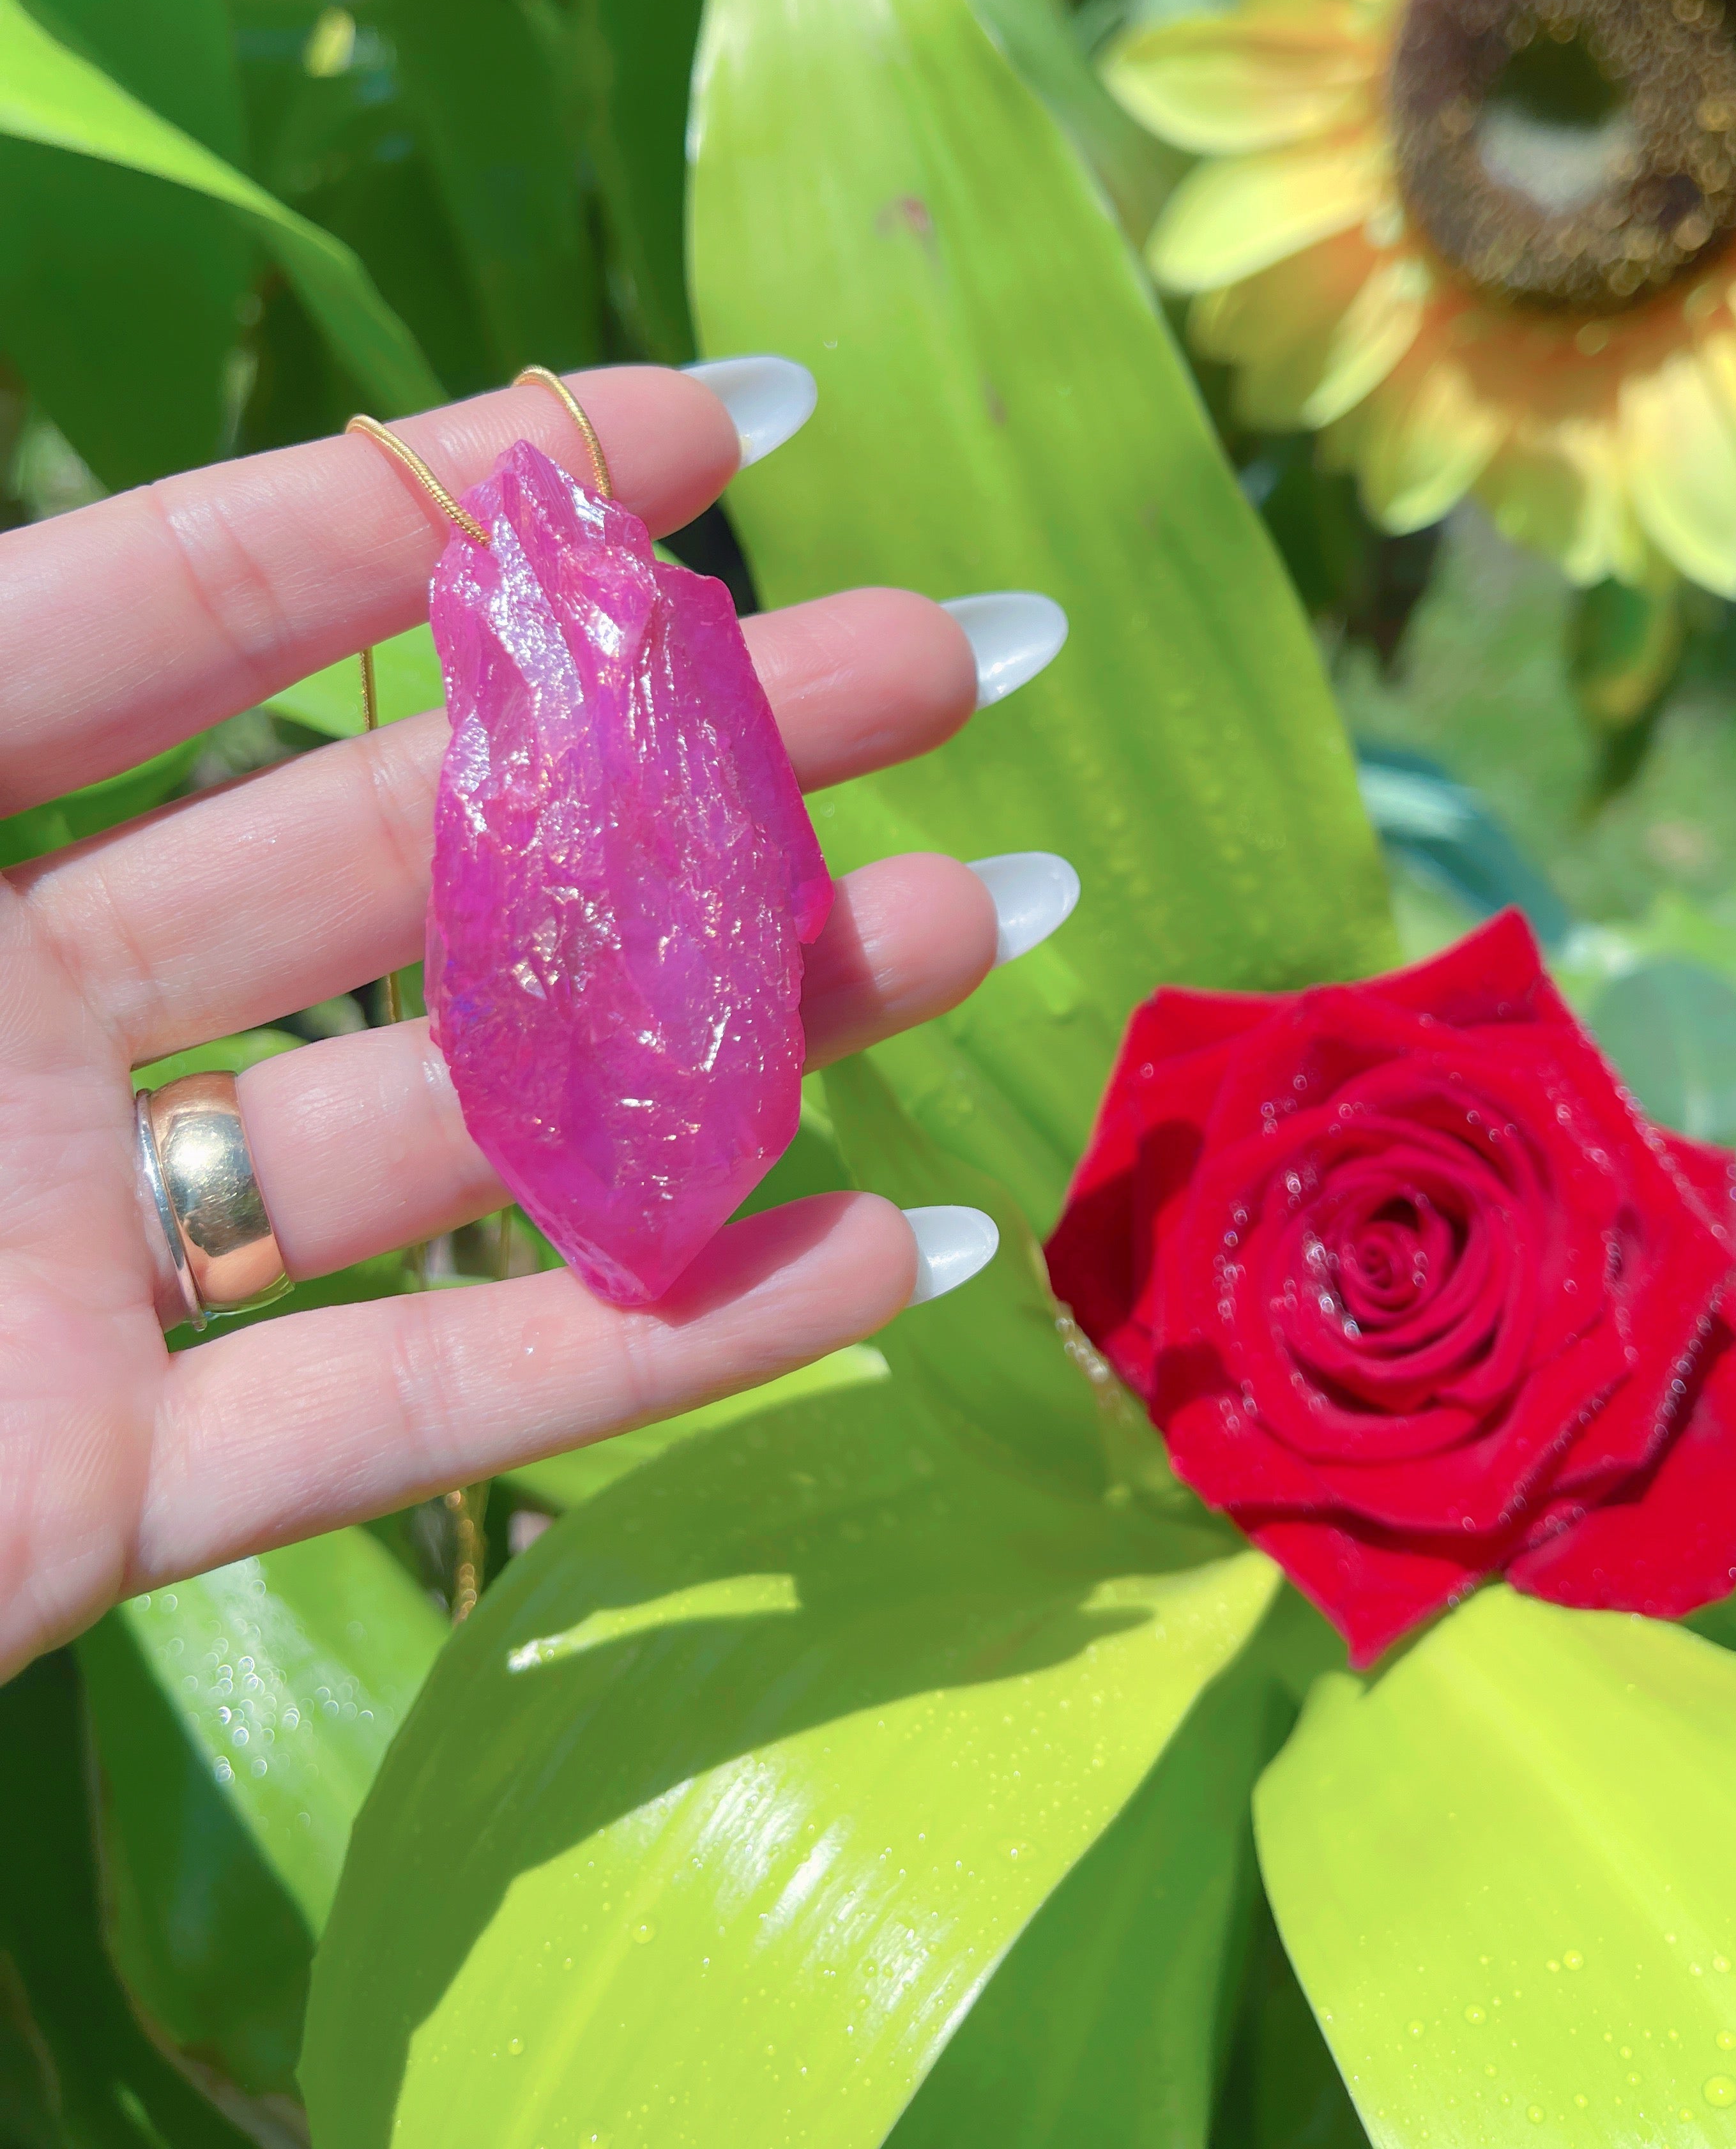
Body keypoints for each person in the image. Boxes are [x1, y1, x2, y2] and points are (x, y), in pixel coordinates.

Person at [0, 363, 1074, 1682]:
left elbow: (781, 883)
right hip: (622, 1113)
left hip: (675, 1106)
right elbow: (773, 889)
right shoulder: (549, 661)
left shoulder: (656, 638)